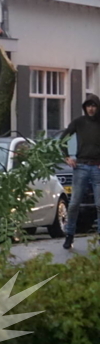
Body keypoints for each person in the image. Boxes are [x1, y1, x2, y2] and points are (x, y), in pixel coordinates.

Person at [60, 93, 100, 250]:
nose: (91, 109)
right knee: (74, 203)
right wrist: (67, 157)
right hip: (81, 166)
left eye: (94, 106)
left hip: (97, 167)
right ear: (85, 107)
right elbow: (63, 139)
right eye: (88, 106)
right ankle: (69, 235)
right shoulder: (79, 122)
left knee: (99, 204)